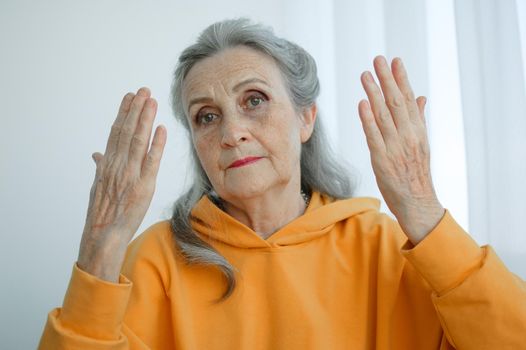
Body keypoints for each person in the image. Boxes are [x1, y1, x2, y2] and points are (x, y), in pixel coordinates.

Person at [38, 18, 526, 349]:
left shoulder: (388, 247)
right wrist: (100, 249)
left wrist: (422, 210)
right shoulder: (153, 260)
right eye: (207, 117)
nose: (232, 133)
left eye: (254, 100)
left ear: (305, 118)